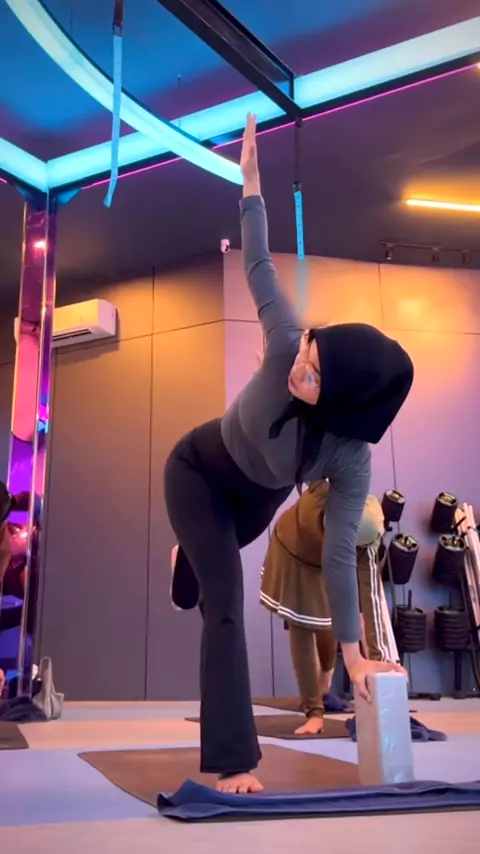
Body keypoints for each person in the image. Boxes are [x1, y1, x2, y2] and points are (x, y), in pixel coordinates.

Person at [164, 113, 414, 794]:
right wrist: (250, 182)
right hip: (198, 470)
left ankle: (191, 553)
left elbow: (339, 555)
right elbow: (258, 262)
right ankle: (232, 760)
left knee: (209, 571)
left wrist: (355, 660)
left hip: (255, 505)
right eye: (309, 353)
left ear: (347, 401)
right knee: (223, 600)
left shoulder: (350, 455)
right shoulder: (285, 341)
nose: (301, 368)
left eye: (316, 376)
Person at [260, 481, 389, 734]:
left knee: (329, 622)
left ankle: (325, 678)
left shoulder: (368, 539)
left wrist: (380, 667)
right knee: (303, 626)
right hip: (293, 552)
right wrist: (315, 714)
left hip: (328, 561)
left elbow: (372, 600)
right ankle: (313, 711)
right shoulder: (322, 491)